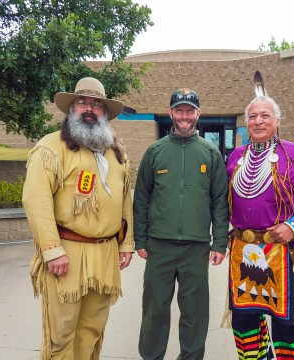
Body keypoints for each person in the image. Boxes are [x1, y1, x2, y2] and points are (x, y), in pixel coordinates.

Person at [22, 77, 134, 360]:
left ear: (104, 112)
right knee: (62, 332)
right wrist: (52, 250)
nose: (89, 108)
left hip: (106, 253)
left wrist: (126, 243)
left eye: (96, 104)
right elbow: (36, 200)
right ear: (71, 108)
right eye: (82, 102)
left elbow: (124, 201)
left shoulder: (116, 153)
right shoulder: (51, 148)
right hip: (66, 253)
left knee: (92, 329)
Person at [225, 95, 294, 359]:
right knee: (244, 320)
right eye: (252, 116)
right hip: (242, 251)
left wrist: (293, 226)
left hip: (281, 251)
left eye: (265, 116)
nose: (258, 121)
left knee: (287, 323)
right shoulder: (236, 157)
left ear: (278, 120)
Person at [133, 88, 229, 360]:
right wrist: (140, 239)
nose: (184, 116)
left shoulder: (210, 154)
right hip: (158, 247)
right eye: (179, 110)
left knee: (195, 312)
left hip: (196, 248)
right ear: (171, 112)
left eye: (190, 110)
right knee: (155, 310)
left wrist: (219, 242)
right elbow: (141, 198)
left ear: (198, 114)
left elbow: (219, 202)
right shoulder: (155, 152)